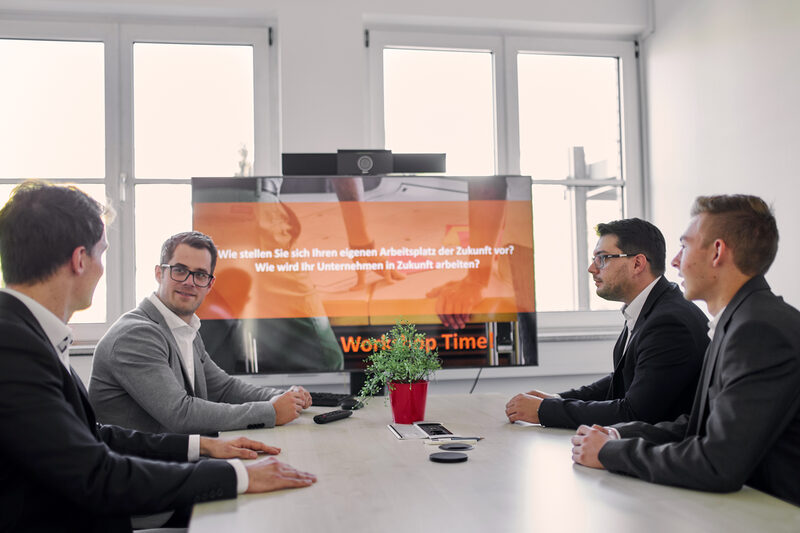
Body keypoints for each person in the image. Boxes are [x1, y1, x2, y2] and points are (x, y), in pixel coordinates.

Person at [0, 181, 316, 532]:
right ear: (79, 259)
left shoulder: (28, 334)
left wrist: (205, 447)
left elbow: (95, 436)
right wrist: (235, 473)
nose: (103, 269)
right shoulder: (14, 346)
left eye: (200, 276)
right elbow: (97, 471)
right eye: (102, 254)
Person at [571, 195, 800, 506]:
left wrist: (610, 453)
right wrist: (617, 436)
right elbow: (699, 426)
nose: (675, 261)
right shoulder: (742, 319)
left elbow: (717, 463)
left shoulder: (758, 330)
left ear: (718, 252)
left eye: (685, 246)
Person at [90, 231, 315, 435]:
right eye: (179, 271)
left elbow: (224, 388)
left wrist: (284, 398)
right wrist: (271, 411)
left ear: (209, 285)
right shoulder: (136, 334)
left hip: (172, 460)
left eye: (200, 275)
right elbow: (180, 414)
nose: (190, 282)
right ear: (159, 273)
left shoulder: (185, 329)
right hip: (139, 472)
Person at [506, 218, 709, 428]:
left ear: (637, 263)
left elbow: (634, 413)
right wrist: (555, 399)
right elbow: (621, 380)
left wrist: (543, 411)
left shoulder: (669, 323)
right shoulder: (651, 308)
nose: (592, 268)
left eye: (602, 258)